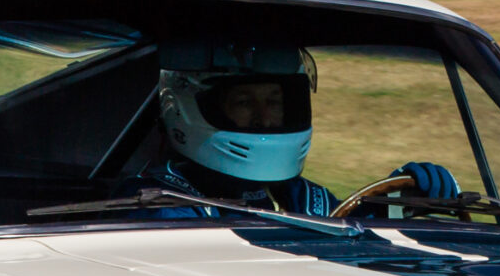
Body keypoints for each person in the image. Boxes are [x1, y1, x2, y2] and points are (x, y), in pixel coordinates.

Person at [147, 42, 457, 217]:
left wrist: (399, 201)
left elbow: (349, 229)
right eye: (244, 102)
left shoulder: (299, 195)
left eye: (275, 101)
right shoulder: (155, 202)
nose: (264, 118)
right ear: (180, 109)